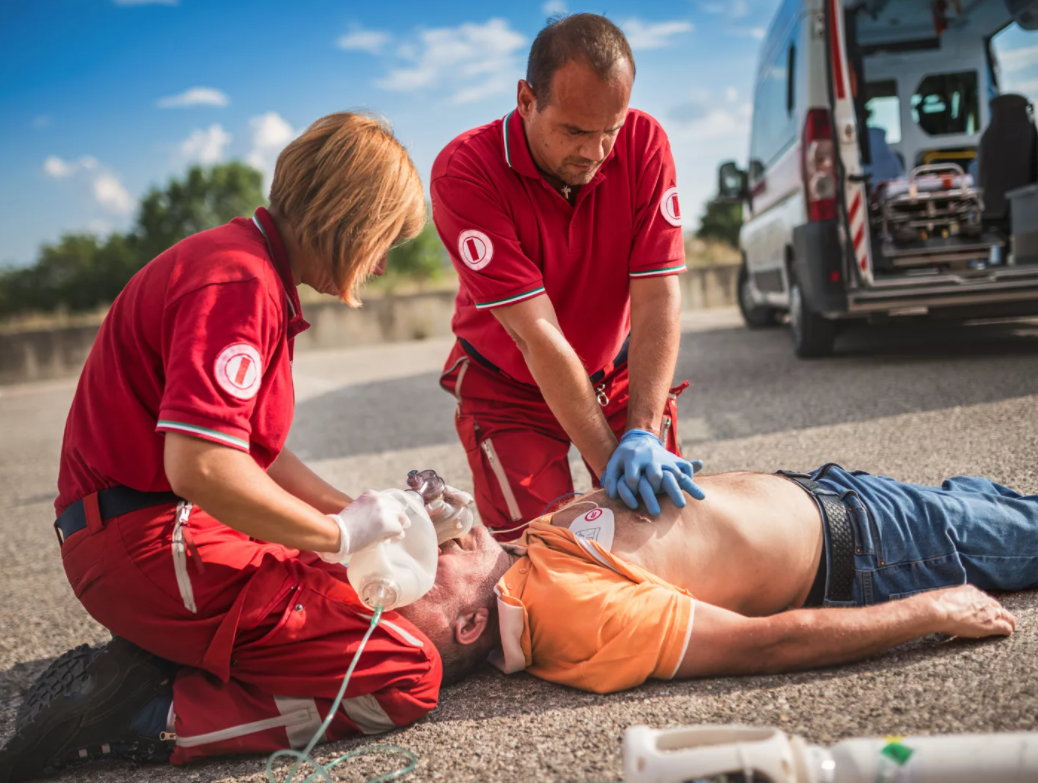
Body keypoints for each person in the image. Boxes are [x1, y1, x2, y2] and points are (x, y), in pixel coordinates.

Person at [1, 113, 443, 783]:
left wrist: (362, 510)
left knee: (343, 591)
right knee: (404, 670)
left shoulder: (248, 265)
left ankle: (169, 652)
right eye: (384, 240)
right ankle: (151, 714)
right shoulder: (240, 283)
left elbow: (254, 452)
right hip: (146, 540)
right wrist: (336, 531)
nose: (382, 263)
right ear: (349, 217)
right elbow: (201, 465)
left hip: (148, 528)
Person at [398, 463, 1033, 692]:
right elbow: (765, 645)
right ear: (471, 621)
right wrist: (931, 611)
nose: (428, 551)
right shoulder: (572, 614)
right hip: (885, 548)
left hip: (846, 497)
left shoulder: (519, 572)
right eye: (428, 570)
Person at [432, 13, 703, 539]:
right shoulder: (466, 170)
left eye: (610, 130)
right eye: (575, 131)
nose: (595, 153)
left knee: (666, 537)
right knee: (549, 550)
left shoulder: (644, 142)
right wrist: (609, 467)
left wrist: (643, 434)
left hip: (618, 373)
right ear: (526, 100)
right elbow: (537, 335)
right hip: (511, 387)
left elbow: (658, 299)